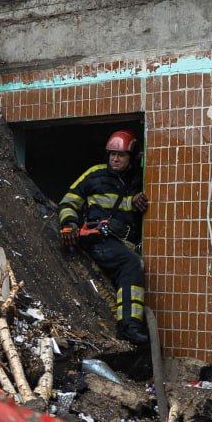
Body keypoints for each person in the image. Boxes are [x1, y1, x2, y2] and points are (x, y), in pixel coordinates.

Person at [57, 130, 150, 346]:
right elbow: (68, 201)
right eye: (112, 154)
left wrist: (134, 201)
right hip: (98, 241)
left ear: (132, 157)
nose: (115, 159)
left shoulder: (138, 180)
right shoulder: (94, 174)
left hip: (120, 242)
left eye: (121, 155)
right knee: (131, 264)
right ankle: (128, 326)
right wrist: (69, 224)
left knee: (129, 263)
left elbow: (127, 203)